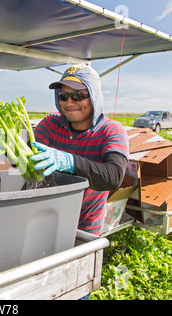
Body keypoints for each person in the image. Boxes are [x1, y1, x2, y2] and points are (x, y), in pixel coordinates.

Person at [30, 64, 129, 237]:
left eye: (78, 96)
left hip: (84, 226)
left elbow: (113, 177)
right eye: (64, 96)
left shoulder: (111, 130)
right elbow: (31, 157)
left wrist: (71, 162)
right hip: (43, 217)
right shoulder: (50, 123)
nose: (69, 102)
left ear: (94, 96)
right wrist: (13, 152)